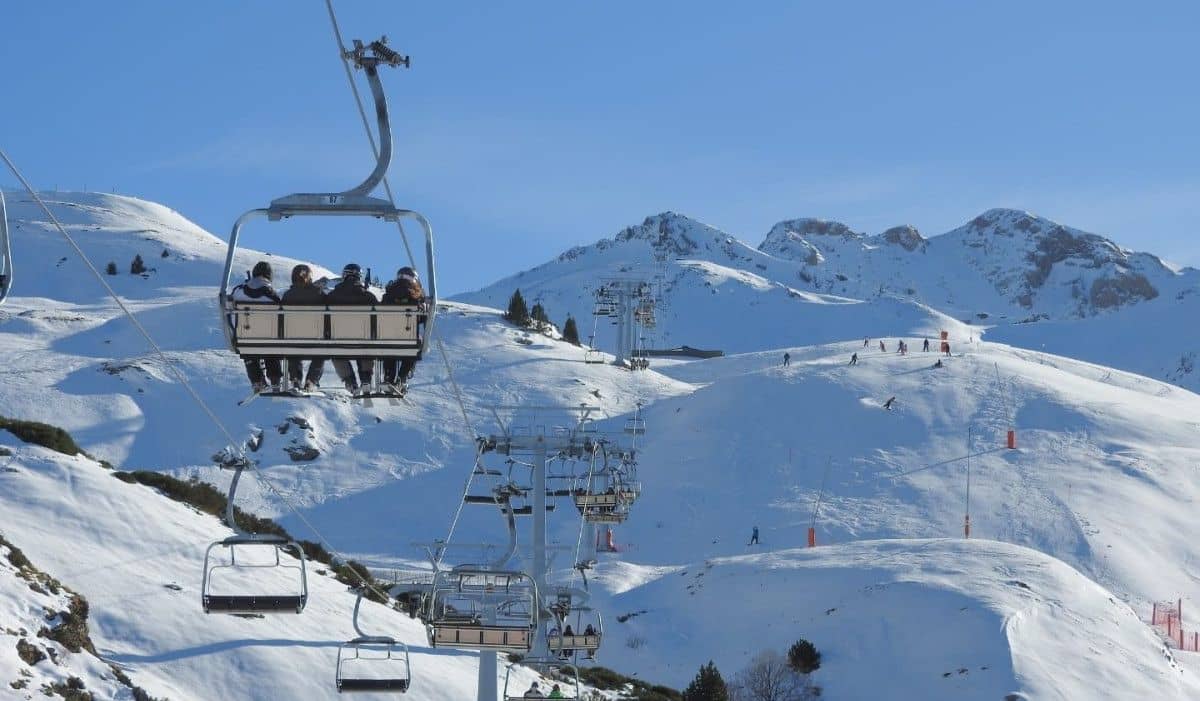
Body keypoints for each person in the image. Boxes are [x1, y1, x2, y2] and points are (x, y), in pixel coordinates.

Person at [231, 261, 283, 392]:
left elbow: (230, 306)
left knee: (249, 351)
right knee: (272, 350)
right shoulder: (271, 295)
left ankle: (257, 380)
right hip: (268, 337)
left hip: (245, 336)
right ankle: (275, 379)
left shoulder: (239, 291)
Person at [327, 263, 377, 394]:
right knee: (366, 349)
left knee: (336, 353)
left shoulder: (332, 296)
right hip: (363, 338)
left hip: (339, 338)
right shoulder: (368, 296)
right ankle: (365, 379)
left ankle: (350, 382)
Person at [281, 264, 326, 392]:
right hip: (316, 338)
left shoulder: (287, 295)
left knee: (293, 350)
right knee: (321, 354)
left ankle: (295, 378)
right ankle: (311, 380)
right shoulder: (318, 293)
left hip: (293, 337)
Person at [381, 266, 426, 393]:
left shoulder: (388, 294)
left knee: (390, 347)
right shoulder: (415, 296)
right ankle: (402, 378)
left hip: (388, 337)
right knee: (414, 346)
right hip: (409, 338)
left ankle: (389, 378)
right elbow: (421, 318)